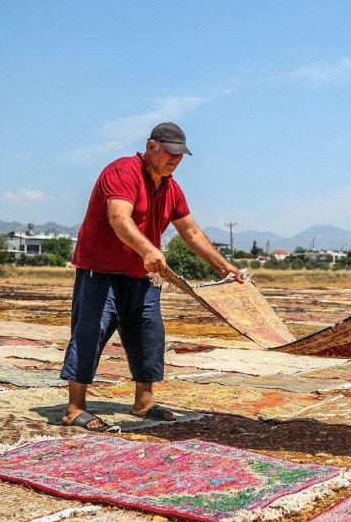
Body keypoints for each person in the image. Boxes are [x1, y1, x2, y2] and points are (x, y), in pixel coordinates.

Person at [60, 121, 243, 431]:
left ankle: (143, 403)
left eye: (180, 154)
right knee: (90, 333)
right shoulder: (123, 171)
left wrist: (223, 265)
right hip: (100, 271)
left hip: (141, 276)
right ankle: (75, 408)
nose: (175, 160)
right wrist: (148, 249)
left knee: (149, 334)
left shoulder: (171, 188)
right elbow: (119, 218)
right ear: (151, 146)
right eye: (170, 152)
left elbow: (191, 231)